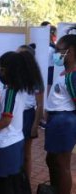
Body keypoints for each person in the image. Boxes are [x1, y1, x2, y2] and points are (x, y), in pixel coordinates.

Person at [0, 51, 42, 194]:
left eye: (1, 69)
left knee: (4, 184)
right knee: (14, 182)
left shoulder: (11, 92)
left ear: (10, 71)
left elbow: (6, 120)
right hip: (12, 142)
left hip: (6, 144)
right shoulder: (14, 89)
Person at [45, 31, 76, 194]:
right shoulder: (66, 74)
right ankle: (54, 189)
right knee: (52, 160)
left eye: (59, 50)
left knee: (62, 164)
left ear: (70, 51)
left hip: (64, 122)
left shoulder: (72, 76)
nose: (56, 54)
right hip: (56, 121)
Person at [17, 44, 44, 179]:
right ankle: (15, 180)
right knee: (15, 151)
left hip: (28, 117)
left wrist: (35, 125)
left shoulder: (36, 79)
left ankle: (25, 182)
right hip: (14, 116)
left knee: (26, 153)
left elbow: (39, 105)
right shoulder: (12, 75)